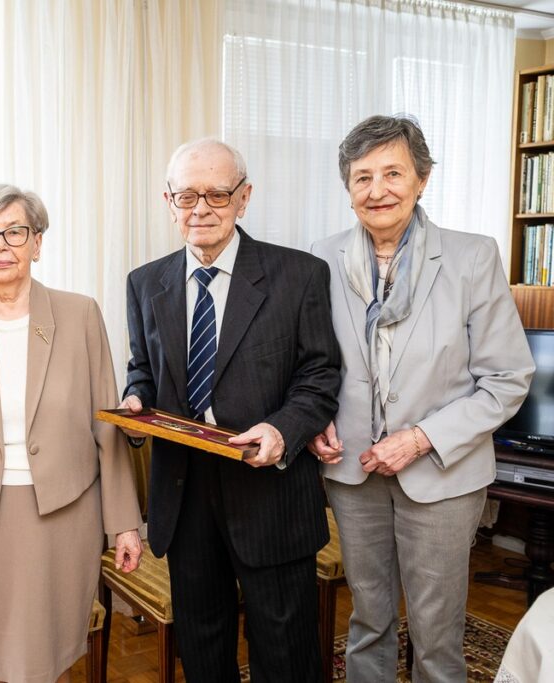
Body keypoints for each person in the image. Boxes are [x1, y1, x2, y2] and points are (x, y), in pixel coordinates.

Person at [309, 114, 534, 682]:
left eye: (393, 173)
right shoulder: (322, 256)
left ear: (422, 179)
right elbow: (313, 363)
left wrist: (419, 439)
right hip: (352, 473)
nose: (377, 190)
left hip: (441, 474)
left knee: (435, 634)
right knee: (368, 621)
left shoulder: (471, 257)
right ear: (348, 189)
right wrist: (315, 419)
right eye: (362, 177)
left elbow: (507, 378)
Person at [119, 138, 341, 682]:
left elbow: (320, 376)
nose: (201, 208)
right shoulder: (146, 282)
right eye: (187, 196)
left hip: (270, 491)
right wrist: (135, 399)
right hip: (184, 491)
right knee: (202, 644)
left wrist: (284, 429)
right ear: (167, 201)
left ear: (244, 199)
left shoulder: (300, 276)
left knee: (285, 650)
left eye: (217, 194)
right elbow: (144, 368)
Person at [0, 184, 143, 683]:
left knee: (46, 658)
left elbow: (108, 428)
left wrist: (124, 522)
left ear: (37, 243)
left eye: (15, 231)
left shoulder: (80, 315)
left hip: (63, 517)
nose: (1, 245)